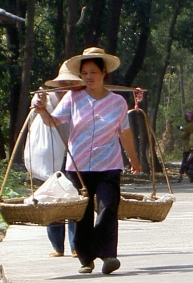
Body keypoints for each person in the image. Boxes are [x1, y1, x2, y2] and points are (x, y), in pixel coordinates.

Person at [32, 47, 142, 275]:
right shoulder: (73, 98)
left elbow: (124, 133)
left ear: (103, 73)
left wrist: (134, 159)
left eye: (93, 72)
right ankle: (85, 258)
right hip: (78, 166)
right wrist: (42, 111)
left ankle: (108, 255)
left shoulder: (118, 102)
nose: (88, 77)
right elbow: (54, 122)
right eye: (84, 73)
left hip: (109, 164)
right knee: (81, 212)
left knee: (108, 207)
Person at [27, 61, 85, 258]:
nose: (67, 85)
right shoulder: (49, 97)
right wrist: (39, 103)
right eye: (64, 82)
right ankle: (56, 245)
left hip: (74, 152)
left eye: (71, 81)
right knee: (52, 197)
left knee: (74, 197)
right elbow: (39, 114)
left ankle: (76, 244)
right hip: (51, 154)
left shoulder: (80, 98)